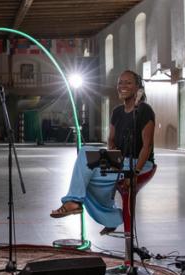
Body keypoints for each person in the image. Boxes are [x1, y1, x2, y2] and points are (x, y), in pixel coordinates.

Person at [50, 70, 155, 235]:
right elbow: (111, 140)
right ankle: (105, 215)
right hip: (121, 160)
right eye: (120, 82)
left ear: (138, 87)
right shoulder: (117, 112)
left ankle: (74, 202)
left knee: (86, 163)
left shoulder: (144, 110)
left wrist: (134, 173)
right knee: (86, 166)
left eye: (128, 83)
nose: (122, 86)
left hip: (141, 163)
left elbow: (147, 146)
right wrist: (111, 154)